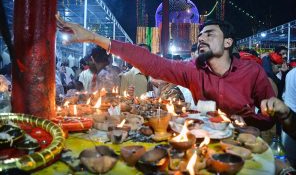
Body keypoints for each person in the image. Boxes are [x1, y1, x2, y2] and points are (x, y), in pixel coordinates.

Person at [56, 15, 275, 130]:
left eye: (209, 34)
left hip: (242, 149)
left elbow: (268, 121)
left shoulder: (251, 71)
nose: (201, 38)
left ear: (228, 42)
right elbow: (152, 63)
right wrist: (94, 37)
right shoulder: (193, 70)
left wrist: (251, 120)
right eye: (200, 35)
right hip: (206, 143)